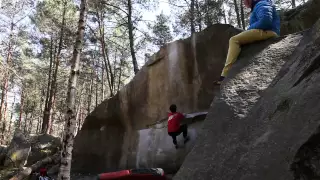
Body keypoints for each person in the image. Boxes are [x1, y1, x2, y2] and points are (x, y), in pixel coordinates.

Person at [214, 0, 280, 85]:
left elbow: (265, 21)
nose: (244, 4)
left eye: (244, 1)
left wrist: (249, 29)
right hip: (267, 31)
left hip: (267, 31)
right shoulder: (260, 4)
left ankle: (225, 74)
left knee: (234, 40)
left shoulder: (262, 3)